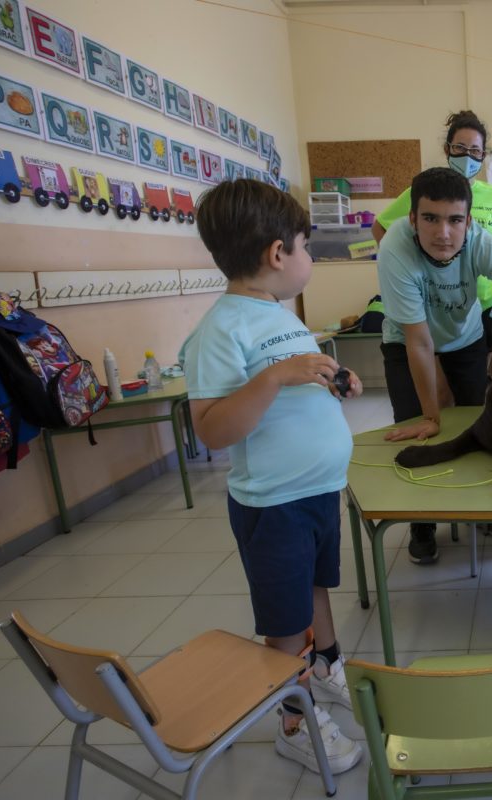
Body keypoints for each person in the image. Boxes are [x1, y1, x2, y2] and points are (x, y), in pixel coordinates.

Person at [180, 179, 365, 776]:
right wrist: (278, 377)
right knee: (286, 626)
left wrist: (333, 380)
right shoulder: (220, 330)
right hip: (274, 505)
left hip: (315, 492)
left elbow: (293, 378)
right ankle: (293, 720)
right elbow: (211, 428)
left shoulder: (277, 316)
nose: (308, 257)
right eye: (307, 246)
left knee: (317, 590)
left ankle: (326, 662)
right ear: (277, 255)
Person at [377, 167, 492, 562]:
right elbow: (420, 342)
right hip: (407, 341)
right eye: (430, 218)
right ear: (412, 219)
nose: (443, 232)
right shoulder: (395, 248)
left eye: (454, 220)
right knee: (419, 431)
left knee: (484, 427)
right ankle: (421, 522)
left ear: (469, 220)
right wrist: (430, 413)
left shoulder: (480, 242)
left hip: (464, 339)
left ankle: (483, 511)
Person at [372, 111, 492, 346]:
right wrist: (401, 264)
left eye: (475, 151)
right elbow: (380, 227)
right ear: (447, 149)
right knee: (433, 358)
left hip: (486, 301)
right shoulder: (423, 192)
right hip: (438, 300)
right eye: (460, 148)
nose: (467, 156)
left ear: (483, 155)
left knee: (483, 369)